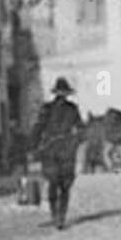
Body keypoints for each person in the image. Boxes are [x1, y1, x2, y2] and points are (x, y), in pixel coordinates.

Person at [30, 77, 85, 229]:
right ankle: (56, 215)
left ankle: (61, 216)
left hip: (66, 150)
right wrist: (33, 146)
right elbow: (39, 127)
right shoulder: (47, 108)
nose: (62, 96)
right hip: (51, 150)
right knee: (54, 183)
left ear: (67, 94)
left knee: (65, 185)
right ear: (56, 93)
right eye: (60, 93)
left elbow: (80, 128)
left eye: (64, 93)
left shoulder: (72, 109)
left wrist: (76, 140)